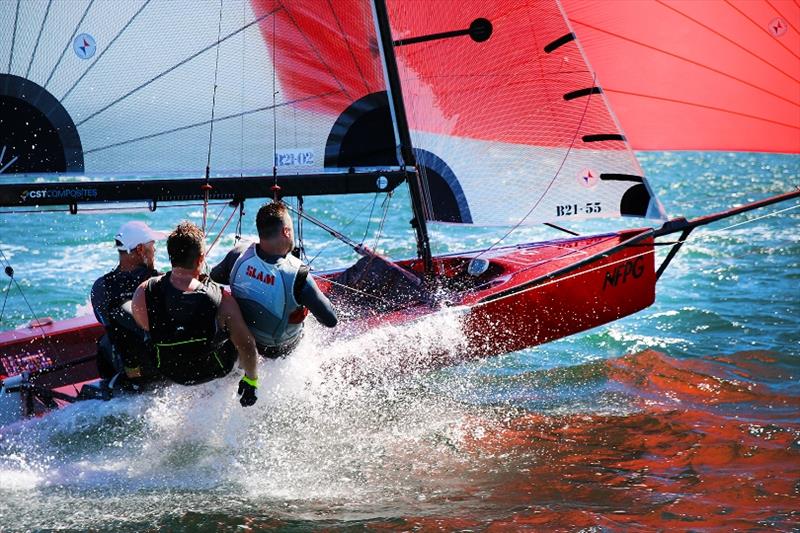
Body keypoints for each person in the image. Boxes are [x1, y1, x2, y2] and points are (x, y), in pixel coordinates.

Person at [131, 221, 260, 406]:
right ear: (200, 259)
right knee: (240, 333)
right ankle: (243, 379)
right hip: (216, 369)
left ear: (170, 257)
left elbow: (145, 325)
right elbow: (247, 346)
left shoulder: (144, 292)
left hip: (170, 371)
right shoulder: (221, 300)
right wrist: (252, 381)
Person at [210, 201, 337, 358]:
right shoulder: (298, 275)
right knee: (300, 316)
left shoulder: (238, 254)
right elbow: (331, 320)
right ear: (286, 232)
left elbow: (214, 277)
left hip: (243, 339)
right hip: (278, 351)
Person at [91, 221, 166, 382]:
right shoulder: (160, 281)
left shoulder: (100, 287)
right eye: (152, 246)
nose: (154, 251)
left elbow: (106, 323)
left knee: (106, 339)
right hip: (158, 369)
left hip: (124, 370)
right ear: (140, 249)